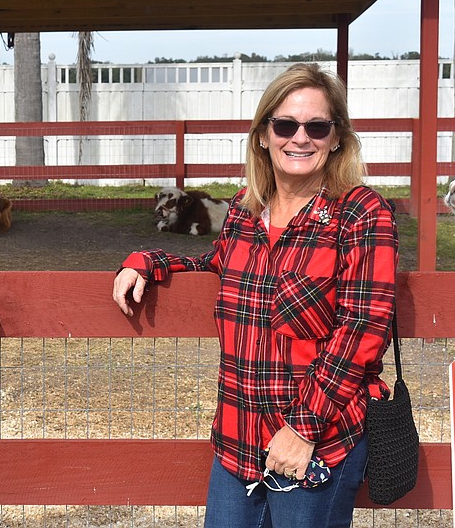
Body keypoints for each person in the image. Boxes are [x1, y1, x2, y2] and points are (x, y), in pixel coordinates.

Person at [112, 63, 397, 528]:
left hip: (314, 444)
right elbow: (216, 262)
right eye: (284, 124)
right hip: (238, 438)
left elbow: (363, 328)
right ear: (263, 134)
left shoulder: (361, 213)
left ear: (337, 137)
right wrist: (147, 261)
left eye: (316, 126)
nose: (299, 138)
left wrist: (303, 429)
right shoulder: (248, 207)